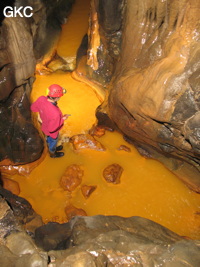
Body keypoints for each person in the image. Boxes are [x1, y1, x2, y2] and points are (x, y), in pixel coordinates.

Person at [31, 84, 70, 158]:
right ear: (57, 98)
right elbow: (52, 129)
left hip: (44, 126)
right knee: (53, 140)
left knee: (48, 138)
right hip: (52, 132)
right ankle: (52, 153)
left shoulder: (41, 99)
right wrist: (63, 119)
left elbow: (33, 108)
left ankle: (50, 146)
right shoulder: (55, 113)